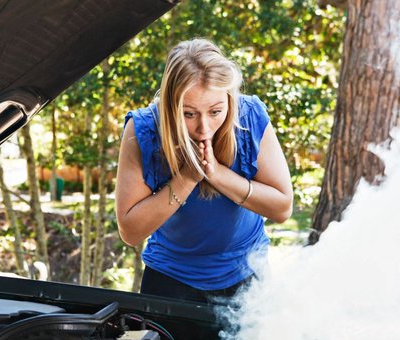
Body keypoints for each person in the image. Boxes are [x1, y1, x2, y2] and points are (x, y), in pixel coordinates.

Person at [115, 39, 293, 303]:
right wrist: (187, 178)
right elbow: (130, 232)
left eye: (216, 111)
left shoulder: (251, 116)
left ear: (229, 100)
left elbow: (282, 208)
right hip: (170, 281)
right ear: (169, 106)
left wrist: (219, 174)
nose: (204, 128)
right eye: (188, 114)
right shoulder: (143, 129)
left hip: (247, 279)